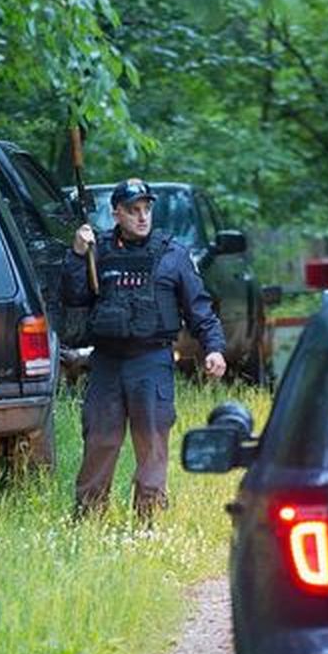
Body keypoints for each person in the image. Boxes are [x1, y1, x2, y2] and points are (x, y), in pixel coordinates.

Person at [63, 177, 226, 518]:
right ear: (116, 213)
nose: (142, 217)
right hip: (106, 363)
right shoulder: (98, 251)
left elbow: (199, 307)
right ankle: (88, 521)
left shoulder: (173, 255)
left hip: (151, 362)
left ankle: (149, 522)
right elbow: (74, 298)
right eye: (133, 210)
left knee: (151, 444)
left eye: (146, 209)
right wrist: (78, 255)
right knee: (101, 442)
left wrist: (214, 348)